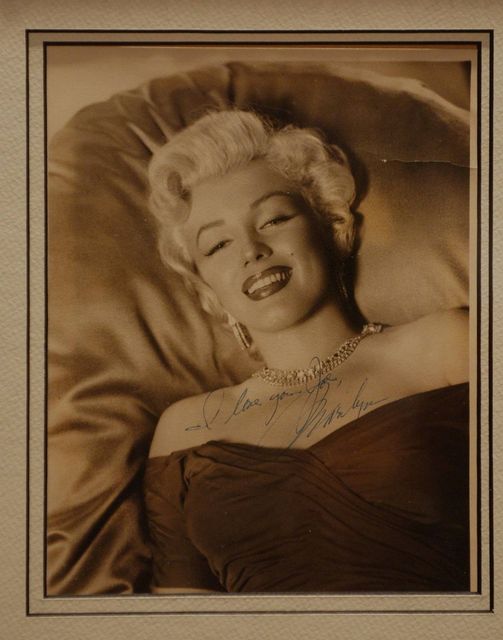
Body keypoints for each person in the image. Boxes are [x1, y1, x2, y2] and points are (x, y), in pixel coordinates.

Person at [140, 110, 470, 593]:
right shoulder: (183, 432)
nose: (251, 250)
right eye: (218, 245)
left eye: (274, 219)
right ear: (206, 286)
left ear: (331, 226)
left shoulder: (446, 348)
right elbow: (178, 614)